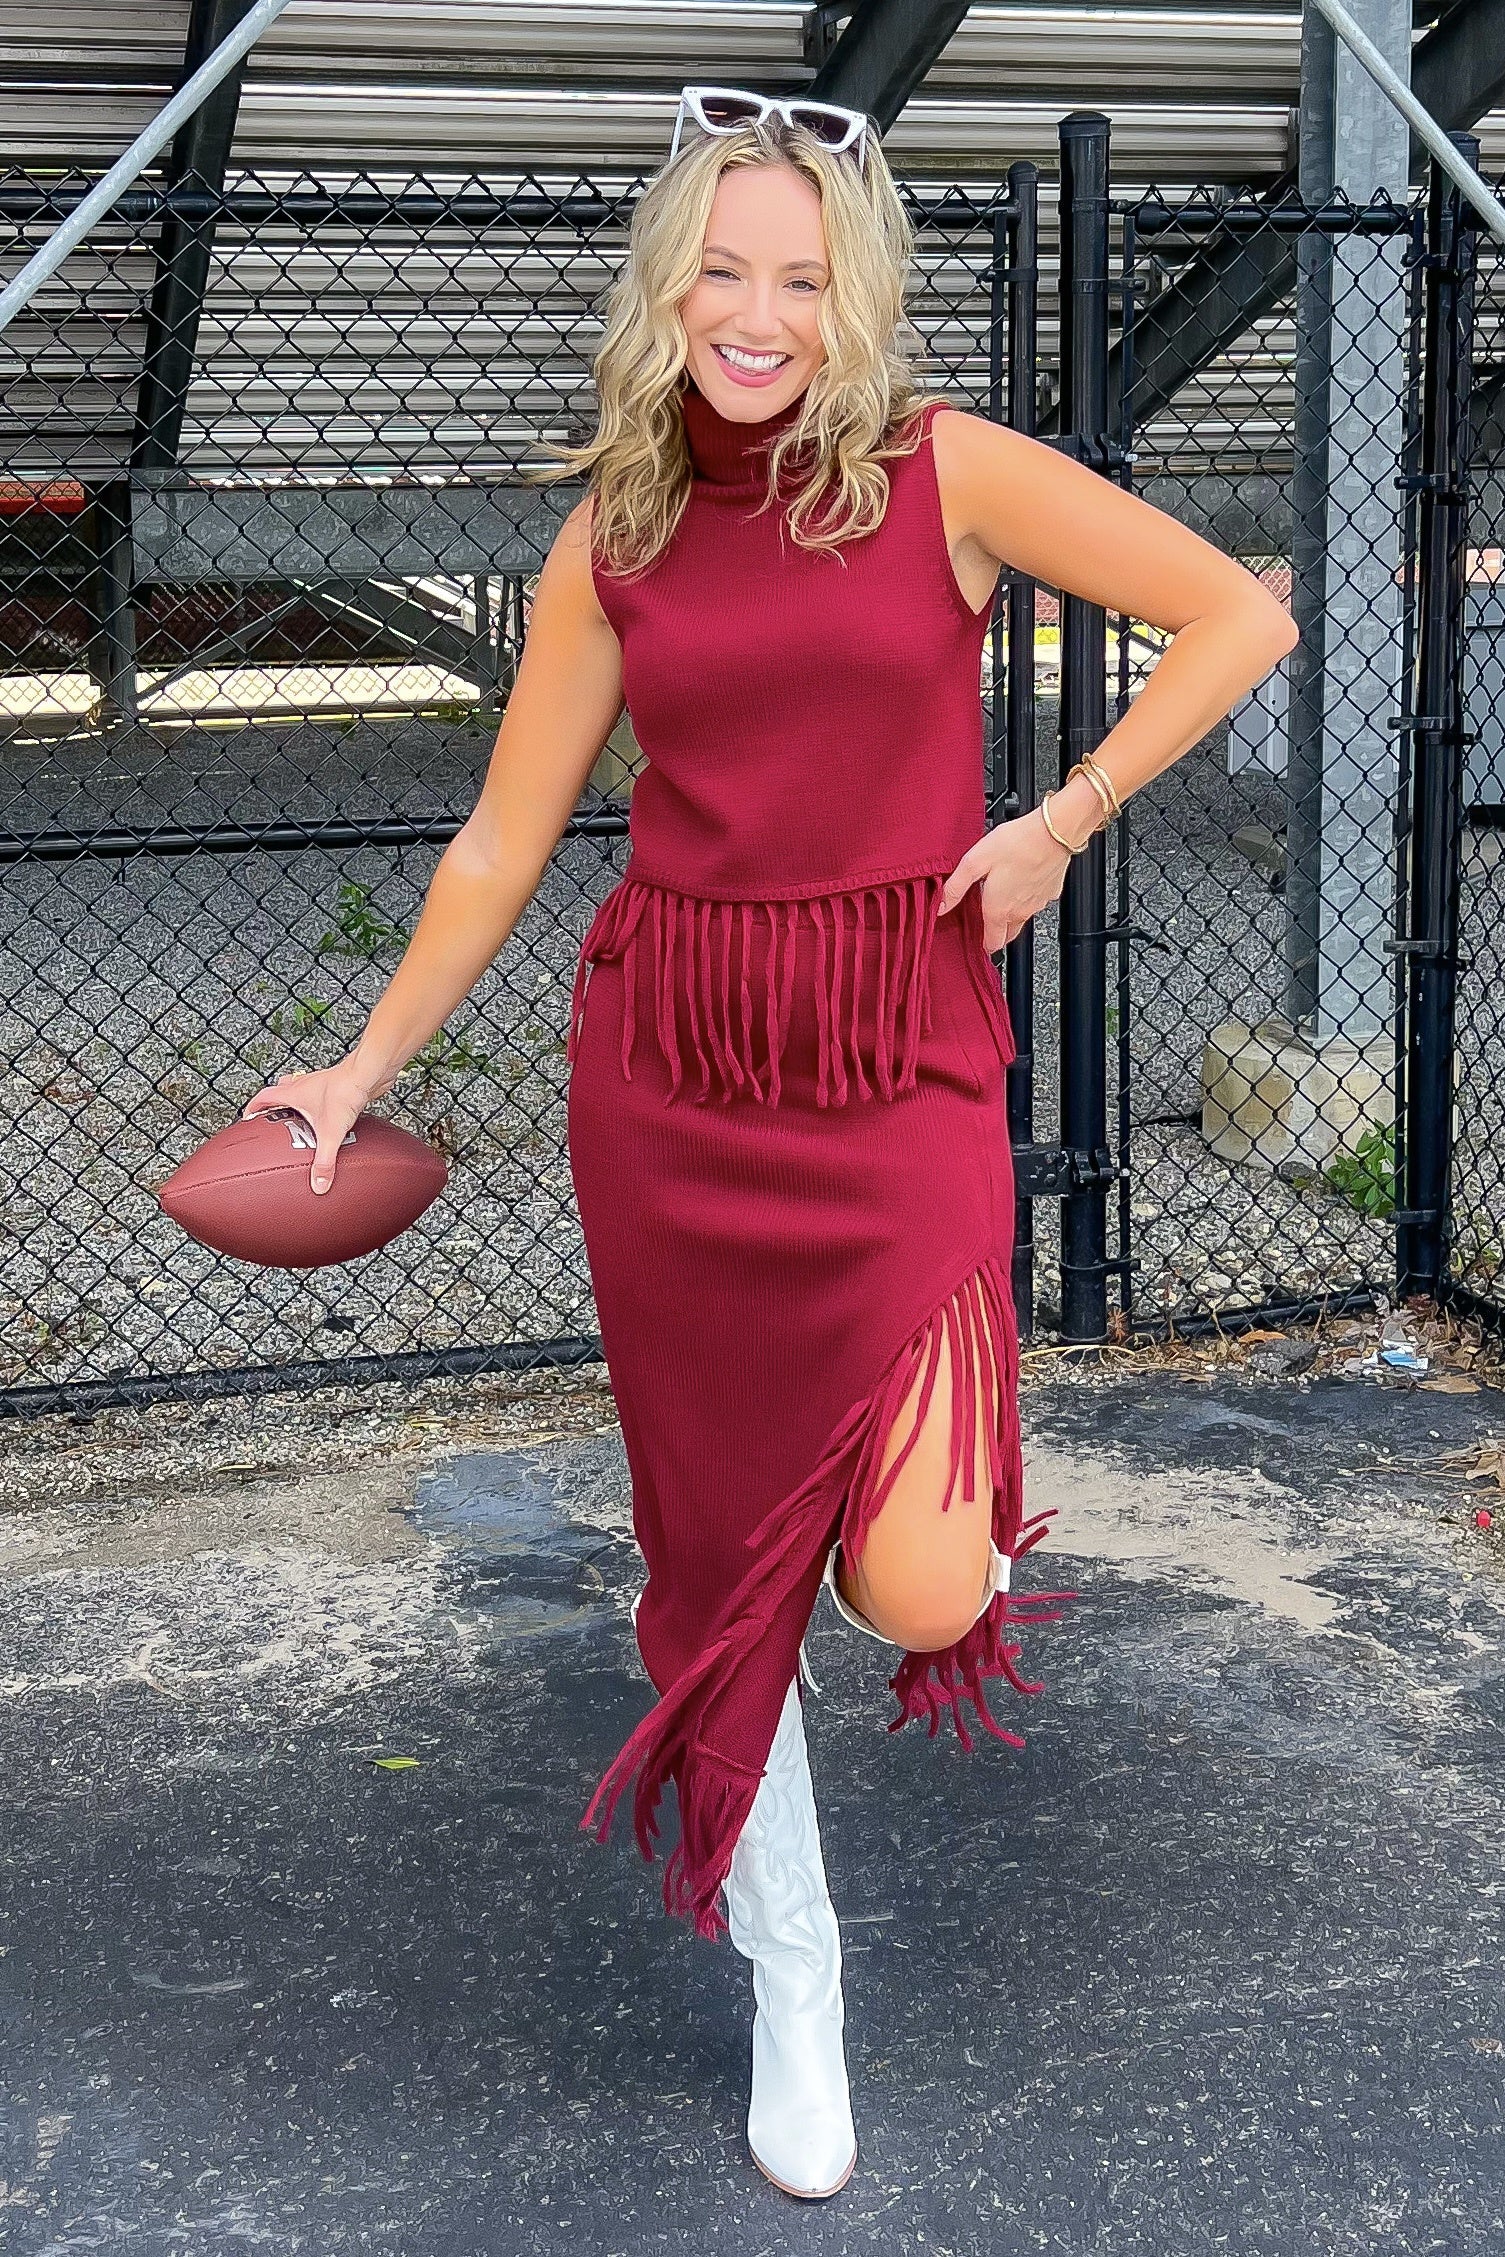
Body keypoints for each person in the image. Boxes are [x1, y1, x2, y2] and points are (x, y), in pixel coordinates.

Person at [242, 87, 1298, 2202]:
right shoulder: (613, 533)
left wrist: (1057, 820)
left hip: (900, 1049)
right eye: (720, 270)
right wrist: (353, 1075)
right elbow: (500, 842)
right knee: (723, 1576)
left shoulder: (950, 475)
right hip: (676, 1074)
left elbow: (1240, 616)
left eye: (799, 277)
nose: (756, 311)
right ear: (667, 288)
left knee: (918, 1579)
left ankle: (932, 1485)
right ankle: (794, 1967)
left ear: (852, 297)